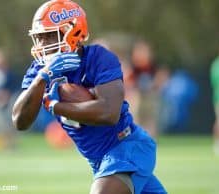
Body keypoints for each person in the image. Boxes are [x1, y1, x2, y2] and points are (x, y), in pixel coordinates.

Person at [12, 1, 167, 194]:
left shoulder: (99, 58)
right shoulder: (39, 70)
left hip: (126, 146)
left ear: (73, 31)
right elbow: (20, 122)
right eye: (40, 37)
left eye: (50, 36)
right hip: (98, 159)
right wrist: (42, 78)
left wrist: (56, 106)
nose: (43, 44)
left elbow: (109, 114)